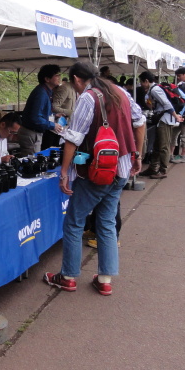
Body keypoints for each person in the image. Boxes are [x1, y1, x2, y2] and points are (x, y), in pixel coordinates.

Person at [43, 62, 145, 296]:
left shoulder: (89, 98)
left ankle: (68, 276)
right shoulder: (121, 92)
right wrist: (137, 154)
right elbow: (140, 123)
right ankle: (105, 279)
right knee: (107, 222)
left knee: (74, 222)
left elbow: (73, 138)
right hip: (121, 166)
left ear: (77, 79)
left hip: (98, 171)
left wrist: (64, 173)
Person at [138, 71, 184, 179]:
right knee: (157, 145)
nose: (141, 85)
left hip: (165, 119)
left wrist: (175, 115)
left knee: (163, 145)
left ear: (146, 81)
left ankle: (163, 170)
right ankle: (153, 168)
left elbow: (166, 104)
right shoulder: (153, 89)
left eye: (141, 82)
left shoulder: (155, 90)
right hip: (162, 119)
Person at [16, 64, 64, 156]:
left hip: (34, 131)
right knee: (32, 161)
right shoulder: (41, 93)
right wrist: (52, 125)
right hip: (31, 132)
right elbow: (35, 117)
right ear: (47, 79)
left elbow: (40, 113)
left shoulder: (45, 91)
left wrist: (54, 116)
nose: (59, 77)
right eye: (56, 75)